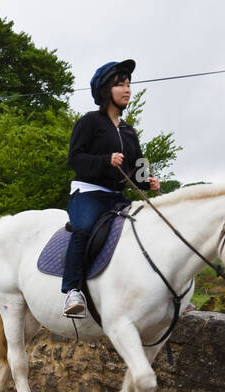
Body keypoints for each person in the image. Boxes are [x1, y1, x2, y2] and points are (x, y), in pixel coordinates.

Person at [63, 60, 159, 316]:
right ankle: (72, 290)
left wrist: (148, 181)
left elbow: (138, 168)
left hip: (117, 197)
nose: (127, 90)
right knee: (83, 229)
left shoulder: (130, 131)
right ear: (106, 90)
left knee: (147, 227)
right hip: (88, 193)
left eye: (129, 84)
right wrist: (105, 160)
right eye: (120, 85)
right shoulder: (89, 122)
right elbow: (74, 159)